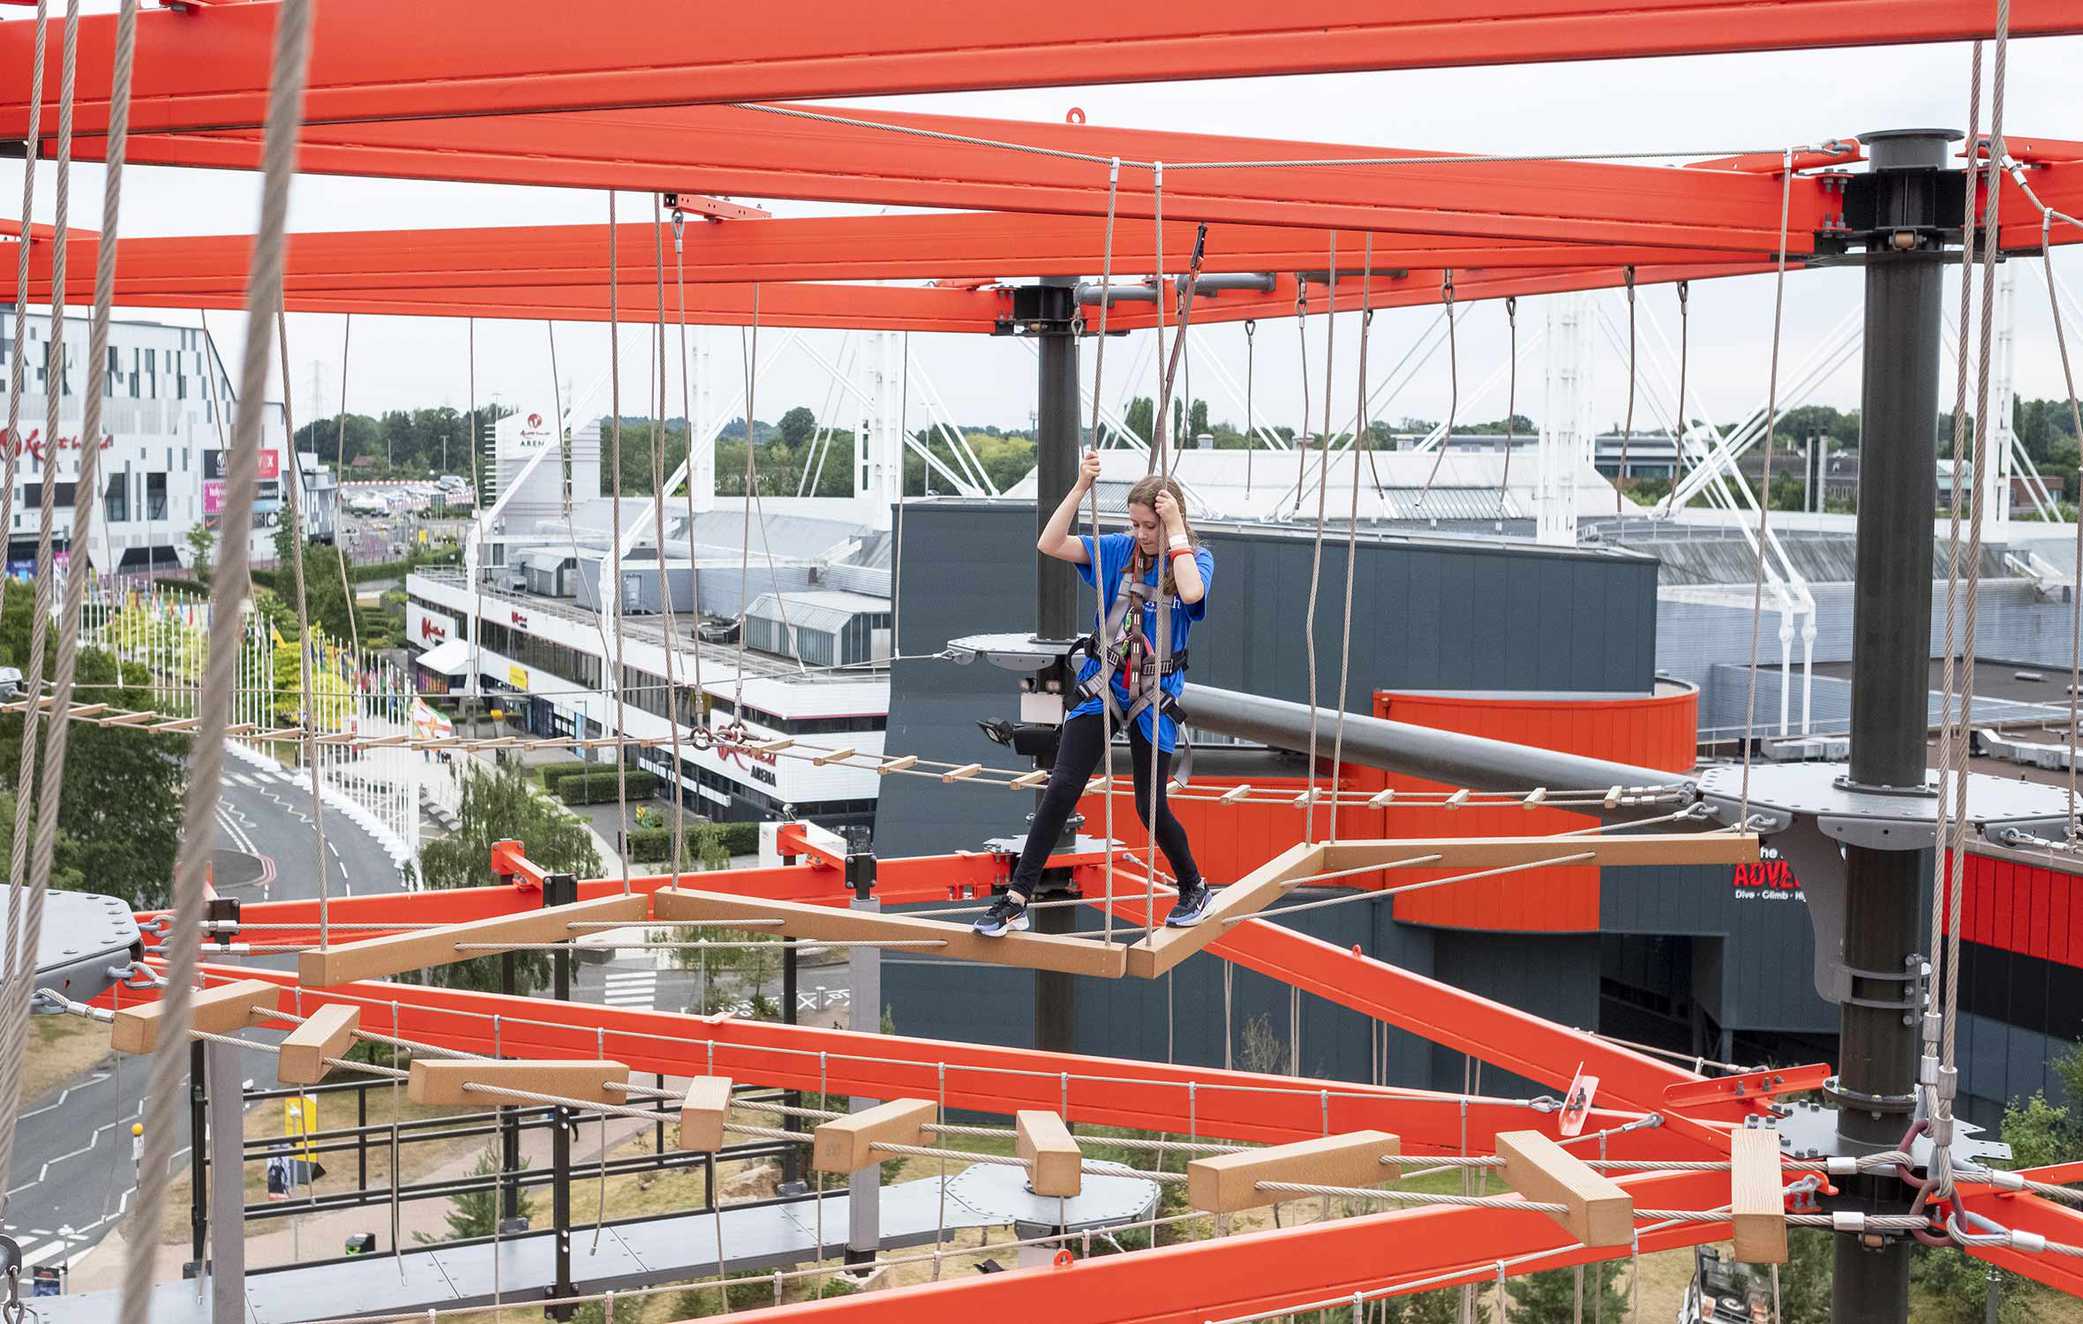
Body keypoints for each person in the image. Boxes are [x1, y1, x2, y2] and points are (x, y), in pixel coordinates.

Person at [976, 450, 1215, 937]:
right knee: (1061, 787)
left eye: (1149, 525)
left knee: (1149, 807)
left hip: (1154, 693)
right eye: (1137, 524)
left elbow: (1190, 595)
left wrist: (1174, 534)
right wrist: (1081, 487)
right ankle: (1017, 898)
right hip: (1106, 684)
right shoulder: (1116, 551)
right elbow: (1050, 542)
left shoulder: (1190, 558)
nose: (1142, 534)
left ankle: (1193, 886)